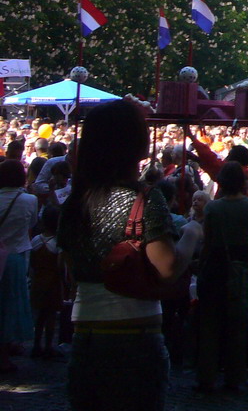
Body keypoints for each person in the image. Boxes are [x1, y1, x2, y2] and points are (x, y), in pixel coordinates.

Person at [57, 99, 202, 411]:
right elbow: (166, 268)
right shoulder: (144, 200)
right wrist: (192, 234)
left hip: (85, 333)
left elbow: (70, 266)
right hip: (135, 336)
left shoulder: (74, 203)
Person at [195, 161, 248, 393]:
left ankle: (206, 376)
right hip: (242, 272)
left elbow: (208, 244)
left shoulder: (213, 209)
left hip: (216, 269)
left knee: (210, 327)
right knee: (238, 329)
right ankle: (234, 377)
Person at [0, 159, 38, 373]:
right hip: (15, 257)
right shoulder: (29, 200)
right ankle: (5, 353)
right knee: (10, 307)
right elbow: (32, 223)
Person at [29, 205, 64, 359]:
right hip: (53, 281)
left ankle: (36, 345)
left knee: (39, 315)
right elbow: (60, 265)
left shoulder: (36, 240)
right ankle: (49, 346)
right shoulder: (57, 242)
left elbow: (31, 262)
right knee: (50, 315)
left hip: (38, 280)